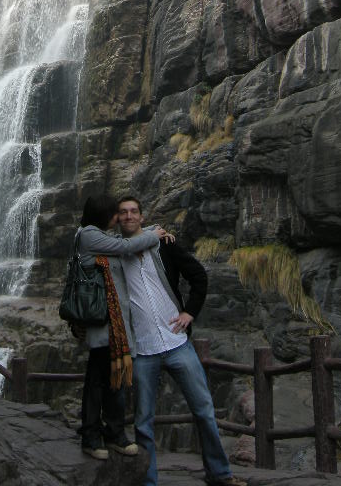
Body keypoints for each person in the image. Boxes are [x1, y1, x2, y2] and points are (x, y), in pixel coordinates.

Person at [117, 195, 240, 486]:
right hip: (143, 349)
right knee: (143, 421)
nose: (129, 216)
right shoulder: (115, 254)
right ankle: (148, 482)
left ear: (142, 217)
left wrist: (190, 312)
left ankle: (220, 474)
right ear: (118, 219)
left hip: (177, 342)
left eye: (134, 211)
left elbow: (198, 275)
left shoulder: (165, 245)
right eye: (123, 213)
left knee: (204, 410)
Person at [74, 194, 172, 461]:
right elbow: (125, 247)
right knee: (97, 381)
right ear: (104, 214)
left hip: (116, 324)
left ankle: (114, 433)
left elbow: (125, 242)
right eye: (116, 213)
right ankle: (92, 436)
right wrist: (154, 235)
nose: (120, 218)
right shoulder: (88, 236)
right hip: (102, 322)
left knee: (113, 381)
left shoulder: (104, 237)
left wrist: (151, 230)